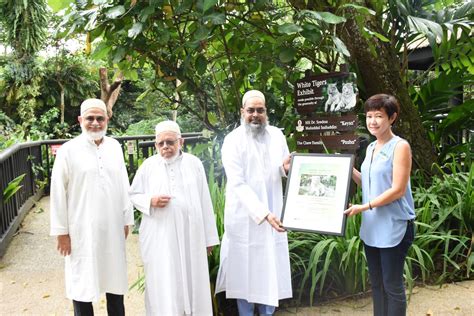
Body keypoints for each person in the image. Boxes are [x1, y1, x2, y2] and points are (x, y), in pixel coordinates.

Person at [50, 98, 134, 315]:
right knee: (82, 284)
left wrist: (126, 219)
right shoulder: (68, 151)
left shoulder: (115, 147)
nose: (95, 123)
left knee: (115, 281)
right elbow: (58, 192)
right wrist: (61, 232)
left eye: (100, 118)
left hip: (112, 229)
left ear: (107, 119)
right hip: (81, 230)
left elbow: (123, 184)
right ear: (80, 120)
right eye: (90, 118)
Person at [129, 120, 219, 315]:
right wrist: (150, 200)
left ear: (181, 142)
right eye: (160, 144)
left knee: (192, 278)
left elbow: (205, 201)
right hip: (160, 237)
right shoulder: (148, 166)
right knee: (165, 280)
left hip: (191, 236)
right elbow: (133, 195)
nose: (165, 147)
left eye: (170, 142)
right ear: (155, 145)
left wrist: (209, 238)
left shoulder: (194, 164)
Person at [215, 90, 293, 315]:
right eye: (251, 110)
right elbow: (238, 183)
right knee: (245, 272)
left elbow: (280, 168)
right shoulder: (232, 141)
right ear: (242, 112)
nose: (255, 115)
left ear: (266, 112)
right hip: (245, 218)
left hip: (274, 213)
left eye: (260, 110)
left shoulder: (277, 135)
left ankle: (268, 313)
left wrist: (285, 169)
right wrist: (264, 214)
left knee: (270, 268)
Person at [344, 94, 415, 316]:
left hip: (394, 225)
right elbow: (366, 182)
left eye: (379, 116)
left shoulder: (400, 146)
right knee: (376, 284)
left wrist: (363, 207)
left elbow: (398, 190)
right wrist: (342, 168)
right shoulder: (371, 147)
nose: (373, 121)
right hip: (372, 226)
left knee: (392, 285)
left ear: (392, 118)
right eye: (369, 116)